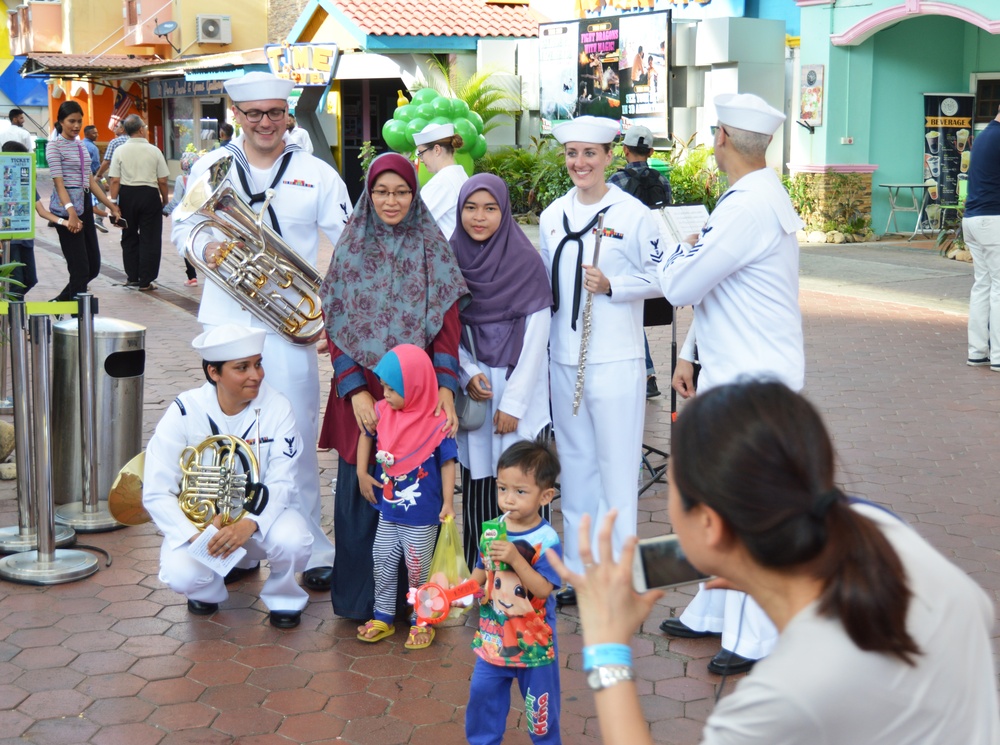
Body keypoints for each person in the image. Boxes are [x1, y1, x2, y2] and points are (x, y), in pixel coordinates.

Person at [548, 380, 1000, 745]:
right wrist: (755, 570)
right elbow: (979, 609)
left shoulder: (786, 693)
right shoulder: (875, 527)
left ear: (709, 523)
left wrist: (607, 647)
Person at [172, 71, 353, 592]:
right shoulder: (211, 166)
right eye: (254, 114)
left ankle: (310, 547)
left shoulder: (316, 173)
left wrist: (337, 314)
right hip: (225, 322)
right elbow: (183, 226)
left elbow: (348, 244)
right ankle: (241, 545)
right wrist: (207, 249)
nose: (265, 123)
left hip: (287, 330)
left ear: (287, 114)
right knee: (229, 439)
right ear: (236, 114)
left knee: (290, 433)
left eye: (275, 113)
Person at [654, 93, 805, 675]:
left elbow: (683, 284)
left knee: (749, 508)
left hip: (755, 379)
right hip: (736, 370)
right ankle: (715, 610)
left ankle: (759, 632)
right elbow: (722, 291)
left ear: (720, 137)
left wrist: (668, 242)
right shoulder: (755, 195)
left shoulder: (746, 207)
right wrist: (691, 353)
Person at [319, 151, 468, 620]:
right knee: (361, 490)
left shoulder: (430, 242)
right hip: (364, 390)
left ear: (414, 192)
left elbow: (447, 318)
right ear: (368, 194)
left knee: (415, 491)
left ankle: (412, 603)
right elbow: (336, 321)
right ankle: (363, 602)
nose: (391, 200)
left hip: (416, 395)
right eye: (381, 191)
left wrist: (445, 385)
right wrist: (355, 390)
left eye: (401, 191)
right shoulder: (351, 245)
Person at [538, 115, 663, 607]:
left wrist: (615, 285)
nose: (580, 163)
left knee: (616, 469)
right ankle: (578, 573)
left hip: (615, 359)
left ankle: (618, 578)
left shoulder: (633, 214)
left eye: (590, 154)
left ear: (610, 156)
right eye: (572, 154)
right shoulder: (552, 216)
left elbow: (666, 276)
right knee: (577, 468)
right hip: (564, 360)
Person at [143, 324, 313, 629]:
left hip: (259, 521)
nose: (256, 375)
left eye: (258, 364)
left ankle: (284, 598)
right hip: (205, 526)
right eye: (242, 368)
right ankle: (206, 591)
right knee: (181, 572)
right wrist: (198, 534)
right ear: (213, 372)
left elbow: (282, 481)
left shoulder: (277, 407)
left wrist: (248, 524)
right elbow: (156, 491)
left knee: (294, 540)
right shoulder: (184, 411)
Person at [450, 174, 553, 571]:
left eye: (490, 208)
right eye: (471, 208)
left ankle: (529, 573)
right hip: (477, 388)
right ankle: (482, 575)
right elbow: (445, 328)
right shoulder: (451, 258)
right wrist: (467, 371)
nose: (479, 217)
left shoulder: (525, 263)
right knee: (479, 485)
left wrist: (513, 403)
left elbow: (537, 338)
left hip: (515, 387)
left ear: (504, 210)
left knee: (524, 482)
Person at [355, 344, 457, 649]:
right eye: (383, 387)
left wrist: (449, 502)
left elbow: (448, 462)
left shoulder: (438, 423)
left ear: (415, 387)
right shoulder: (383, 412)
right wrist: (362, 472)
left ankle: (422, 618)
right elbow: (366, 434)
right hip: (388, 511)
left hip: (422, 515)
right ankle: (383, 615)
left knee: (418, 568)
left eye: (391, 389)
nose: (384, 394)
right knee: (382, 559)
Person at [467, 437, 562, 745]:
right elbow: (482, 569)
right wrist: (464, 590)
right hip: (493, 637)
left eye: (521, 492)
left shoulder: (547, 540)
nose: (508, 499)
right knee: (482, 697)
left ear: (545, 496)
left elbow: (543, 589)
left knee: (539, 711)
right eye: (502, 488)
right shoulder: (492, 528)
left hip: (534, 645)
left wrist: (515, 558)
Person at [608, 124, 673, 399]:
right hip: (654, 256)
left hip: (624, 255)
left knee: (628, 315)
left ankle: (645, 374)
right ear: (650, 151)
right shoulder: (662, 181)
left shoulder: (615, 181)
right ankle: (646, 374)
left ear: (624, 150)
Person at [46, 101, 121, 303]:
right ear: (61, 121)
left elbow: (89, 180)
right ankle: (74, 317)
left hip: (85, 205)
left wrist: (111, 204)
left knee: (93, 267)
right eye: (71, 121)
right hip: (66, 209)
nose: (76, 126)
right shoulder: (54, 147)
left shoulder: (80, 145)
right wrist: (70, 213)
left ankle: (60, 303)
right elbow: (59, 185)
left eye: (79, 121)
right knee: (79, 269)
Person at [108, 115, 169, 291]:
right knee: (150, 238)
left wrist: (113, 202)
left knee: (128, 236)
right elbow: (163, 181)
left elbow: (114, 180)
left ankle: (132, 277)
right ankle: (146, 280)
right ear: (141, 129)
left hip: (127, 195)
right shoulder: (154, 150)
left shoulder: (120, 150)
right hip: (149, 195)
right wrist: (164, 200)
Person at [1, 140, 64, 298]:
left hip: (26, 238)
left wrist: (64, 222)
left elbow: (41, 211)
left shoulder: (27, 183)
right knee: (16, 283)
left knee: (30, 279)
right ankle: (13, 320)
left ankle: (10, 312)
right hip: (9, 240)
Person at [963, 104, 1000, 370]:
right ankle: (998, 357)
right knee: (998, 289)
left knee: (983, 286)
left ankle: (977, 352)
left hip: (973, 220)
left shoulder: (986, 135)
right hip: (993, 220)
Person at [414, 122, 468, 239]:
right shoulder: (460, 174)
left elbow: (415, 223)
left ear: (437, 150)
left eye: (421, 153)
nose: (421, 160)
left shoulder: (440, 183)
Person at [164, 151, 200, 286]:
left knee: (186, 245)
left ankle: (192, 277)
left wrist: (165, 210)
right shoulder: (202, 178)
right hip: (200, 216)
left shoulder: (181, 179)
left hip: (186, 217)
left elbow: (177, 201)